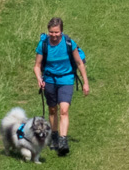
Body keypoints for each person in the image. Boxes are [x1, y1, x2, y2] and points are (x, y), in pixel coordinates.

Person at [33, 16, 90, 156]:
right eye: (51, 32)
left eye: (56, 32)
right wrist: (39, 78)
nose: (53, 35)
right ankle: (54, 136)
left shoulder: (69, 43)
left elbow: (79, 63)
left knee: (64, 110)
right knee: (52, 110)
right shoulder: (43, 44)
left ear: (61, 32)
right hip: (50, 80)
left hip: (66, 79)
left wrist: (86, 83)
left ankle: (63, 141)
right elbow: (37, 66)